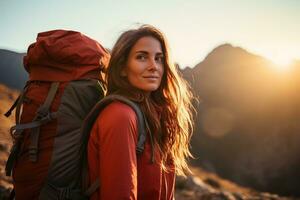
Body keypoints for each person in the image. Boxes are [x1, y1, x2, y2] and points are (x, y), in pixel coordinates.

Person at [88, 25, 194, 200]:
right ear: (122, 67)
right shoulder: (120, 116)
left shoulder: (156, 116)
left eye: (159, 58)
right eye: (142, 57)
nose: (154, 66)